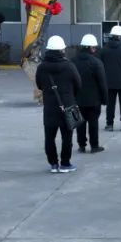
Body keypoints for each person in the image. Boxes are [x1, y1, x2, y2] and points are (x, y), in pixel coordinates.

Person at [35, 35, 82, 174]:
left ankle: (53, 164)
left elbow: (39, 85)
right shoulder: (69, 66)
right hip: (67, 105)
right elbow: (78, 84)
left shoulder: (42, 67)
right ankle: (65, 163)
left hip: (50, 107)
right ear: (62, 50)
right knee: (67, 137)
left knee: (49, 137)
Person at [71, 34, 109, 154]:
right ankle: (94, 146)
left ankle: (81, 145)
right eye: (94, 47)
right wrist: (105, 99)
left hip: (77, 99)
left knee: (80, 123)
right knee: (93, 123)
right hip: (94, 100)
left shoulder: (72, 61)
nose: (95, 49)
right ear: (91, 48)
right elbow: (102, 83)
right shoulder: (96, 63)